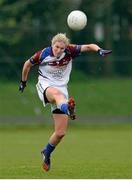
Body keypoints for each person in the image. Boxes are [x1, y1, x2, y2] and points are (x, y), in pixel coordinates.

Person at [19, 33, 112, 171]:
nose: (59, 50)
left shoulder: (70, 50)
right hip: (46, 86)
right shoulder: (43, 54)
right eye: (57, 47)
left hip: (62, 90)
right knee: (56, 95)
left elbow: (88, 46)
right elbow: (27, 65)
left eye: (62, 48)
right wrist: (23, 82)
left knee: (60, 132)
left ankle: (47, 152)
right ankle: (68, 108)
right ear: (52, 45)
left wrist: (99, 50)